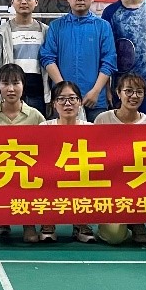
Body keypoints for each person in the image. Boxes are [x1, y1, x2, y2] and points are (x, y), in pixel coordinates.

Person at [41, 0, 118, 122]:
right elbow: (47, 58)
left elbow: (109, 61)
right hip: (63, 102)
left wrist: (96, 91)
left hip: (95, 100)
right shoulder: (56, 26)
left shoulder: (103, 26)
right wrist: (63, 91)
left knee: (96, 136)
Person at [93, 73, 146, 244]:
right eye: (128, 91)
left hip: (139, 185)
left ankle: (137, 220)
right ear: (118, 93)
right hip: (110, 188)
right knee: (115, 237)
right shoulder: (102, 120)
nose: (134, 96)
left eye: (139, 92)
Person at [0, 63, 45, 244]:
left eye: (16, 83)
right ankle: (3, 218)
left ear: (23, 85)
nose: (11, 89)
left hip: (28, 171)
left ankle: (29, 224)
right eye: (5, 83)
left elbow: (47, 148)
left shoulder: (35, 116)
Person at [38, 81, 98, 243]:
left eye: (72, 98)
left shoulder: (91, 129)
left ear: (80, 102)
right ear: (54, 104)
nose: (67, 104)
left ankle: (81, 224)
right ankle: (48, 223)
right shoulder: (44, 128)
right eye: (61, 99)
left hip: (81, 177)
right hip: (52, 176)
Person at [0, 0, 51, 117]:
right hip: (11, 92)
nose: (24, 2)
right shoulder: (1, 32)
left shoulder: (46, 31)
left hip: (38, 93)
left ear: (36, 2)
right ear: (12, 2)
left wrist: (49, 97)